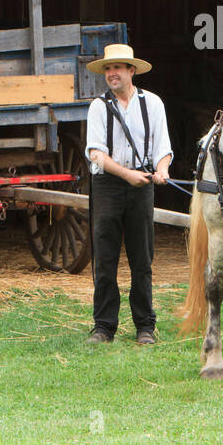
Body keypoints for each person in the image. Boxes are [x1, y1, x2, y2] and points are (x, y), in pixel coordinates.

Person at [82, 43, 173, 345]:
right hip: (108, 186)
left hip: (142, 185)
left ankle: (145, 326)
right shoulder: (98, 106)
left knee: (142, 259)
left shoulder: (153, 104)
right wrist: (128, 175)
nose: (111, 73)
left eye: (117, 68)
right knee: (105, 259)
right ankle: (104, 327)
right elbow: (96, 154)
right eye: (107, 69)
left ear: (131, 71)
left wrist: (162, 170)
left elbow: (163, 149)